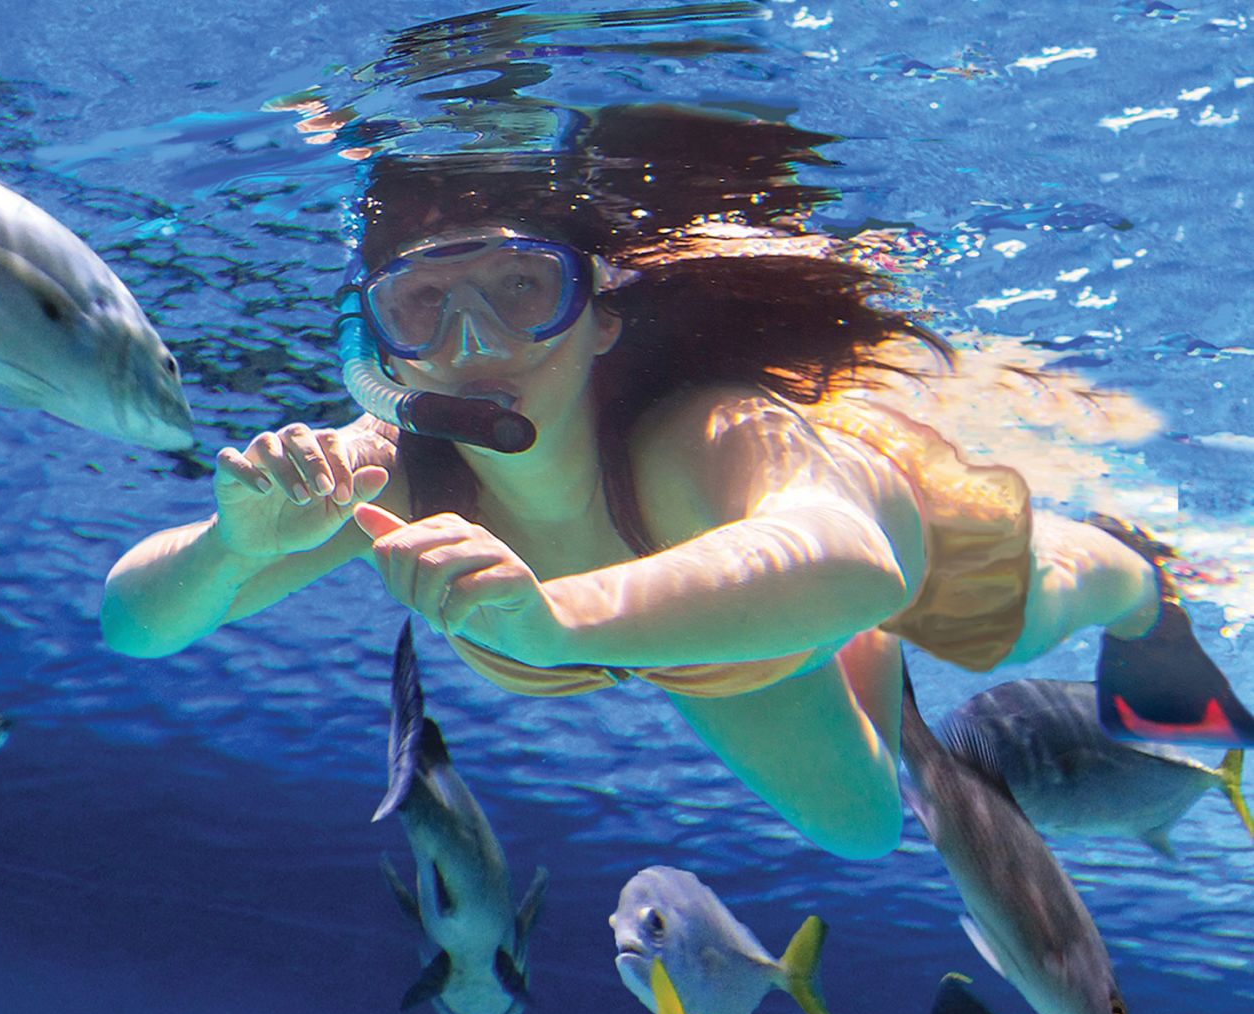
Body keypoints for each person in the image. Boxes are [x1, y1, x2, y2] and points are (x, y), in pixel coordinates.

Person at [100, 105, 1254, 860]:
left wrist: (550, 619)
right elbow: (133, 623)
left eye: (517, 288)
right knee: (862, 828)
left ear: (599, 315)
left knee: (1010, 617)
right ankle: (827, 647)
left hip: (858, 545)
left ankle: (1140, 586)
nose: (473, 339)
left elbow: (851, 563)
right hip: (710, 636)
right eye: (421, 306)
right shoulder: (390, 476)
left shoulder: (699, 435)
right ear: (383, 345)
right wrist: (236, 546)